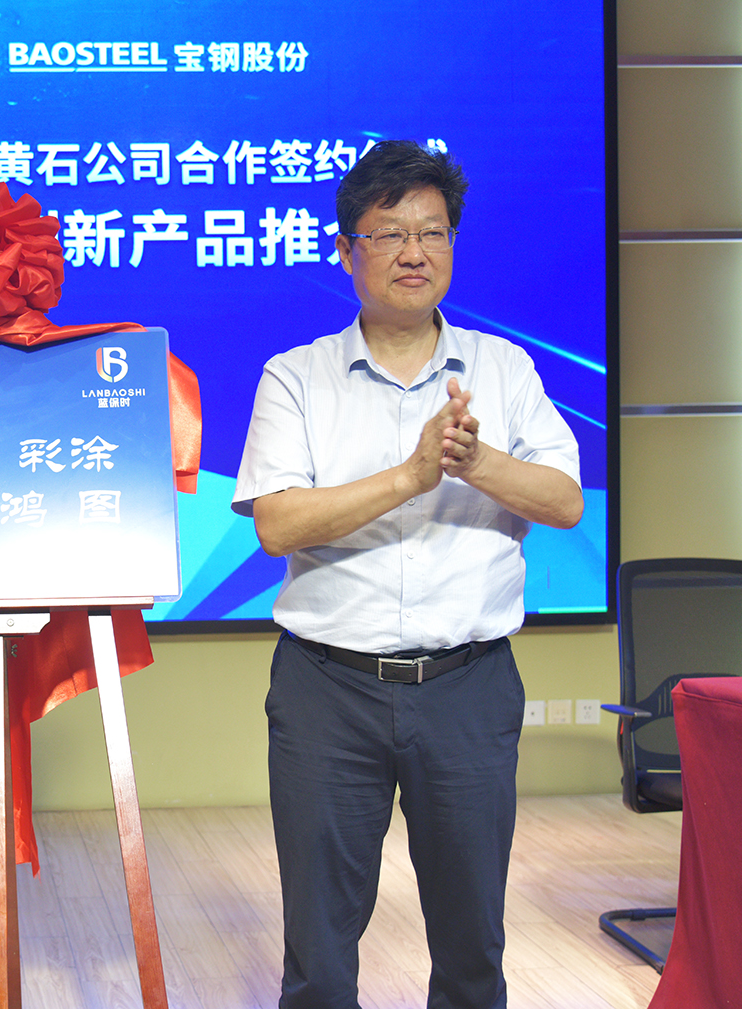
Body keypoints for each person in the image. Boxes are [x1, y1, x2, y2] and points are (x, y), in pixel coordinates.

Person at [232, 141, 583, 1009]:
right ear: (346, 250)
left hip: (468, 687)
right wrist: (411, 477)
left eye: (433, 232)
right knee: (319, 956)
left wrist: (475, 462)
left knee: (472, 948)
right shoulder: (296, 376)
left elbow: (566, 500)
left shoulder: (503, 369)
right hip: (328, 690)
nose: (414, 252)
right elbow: (277, 523)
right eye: (389, 234)